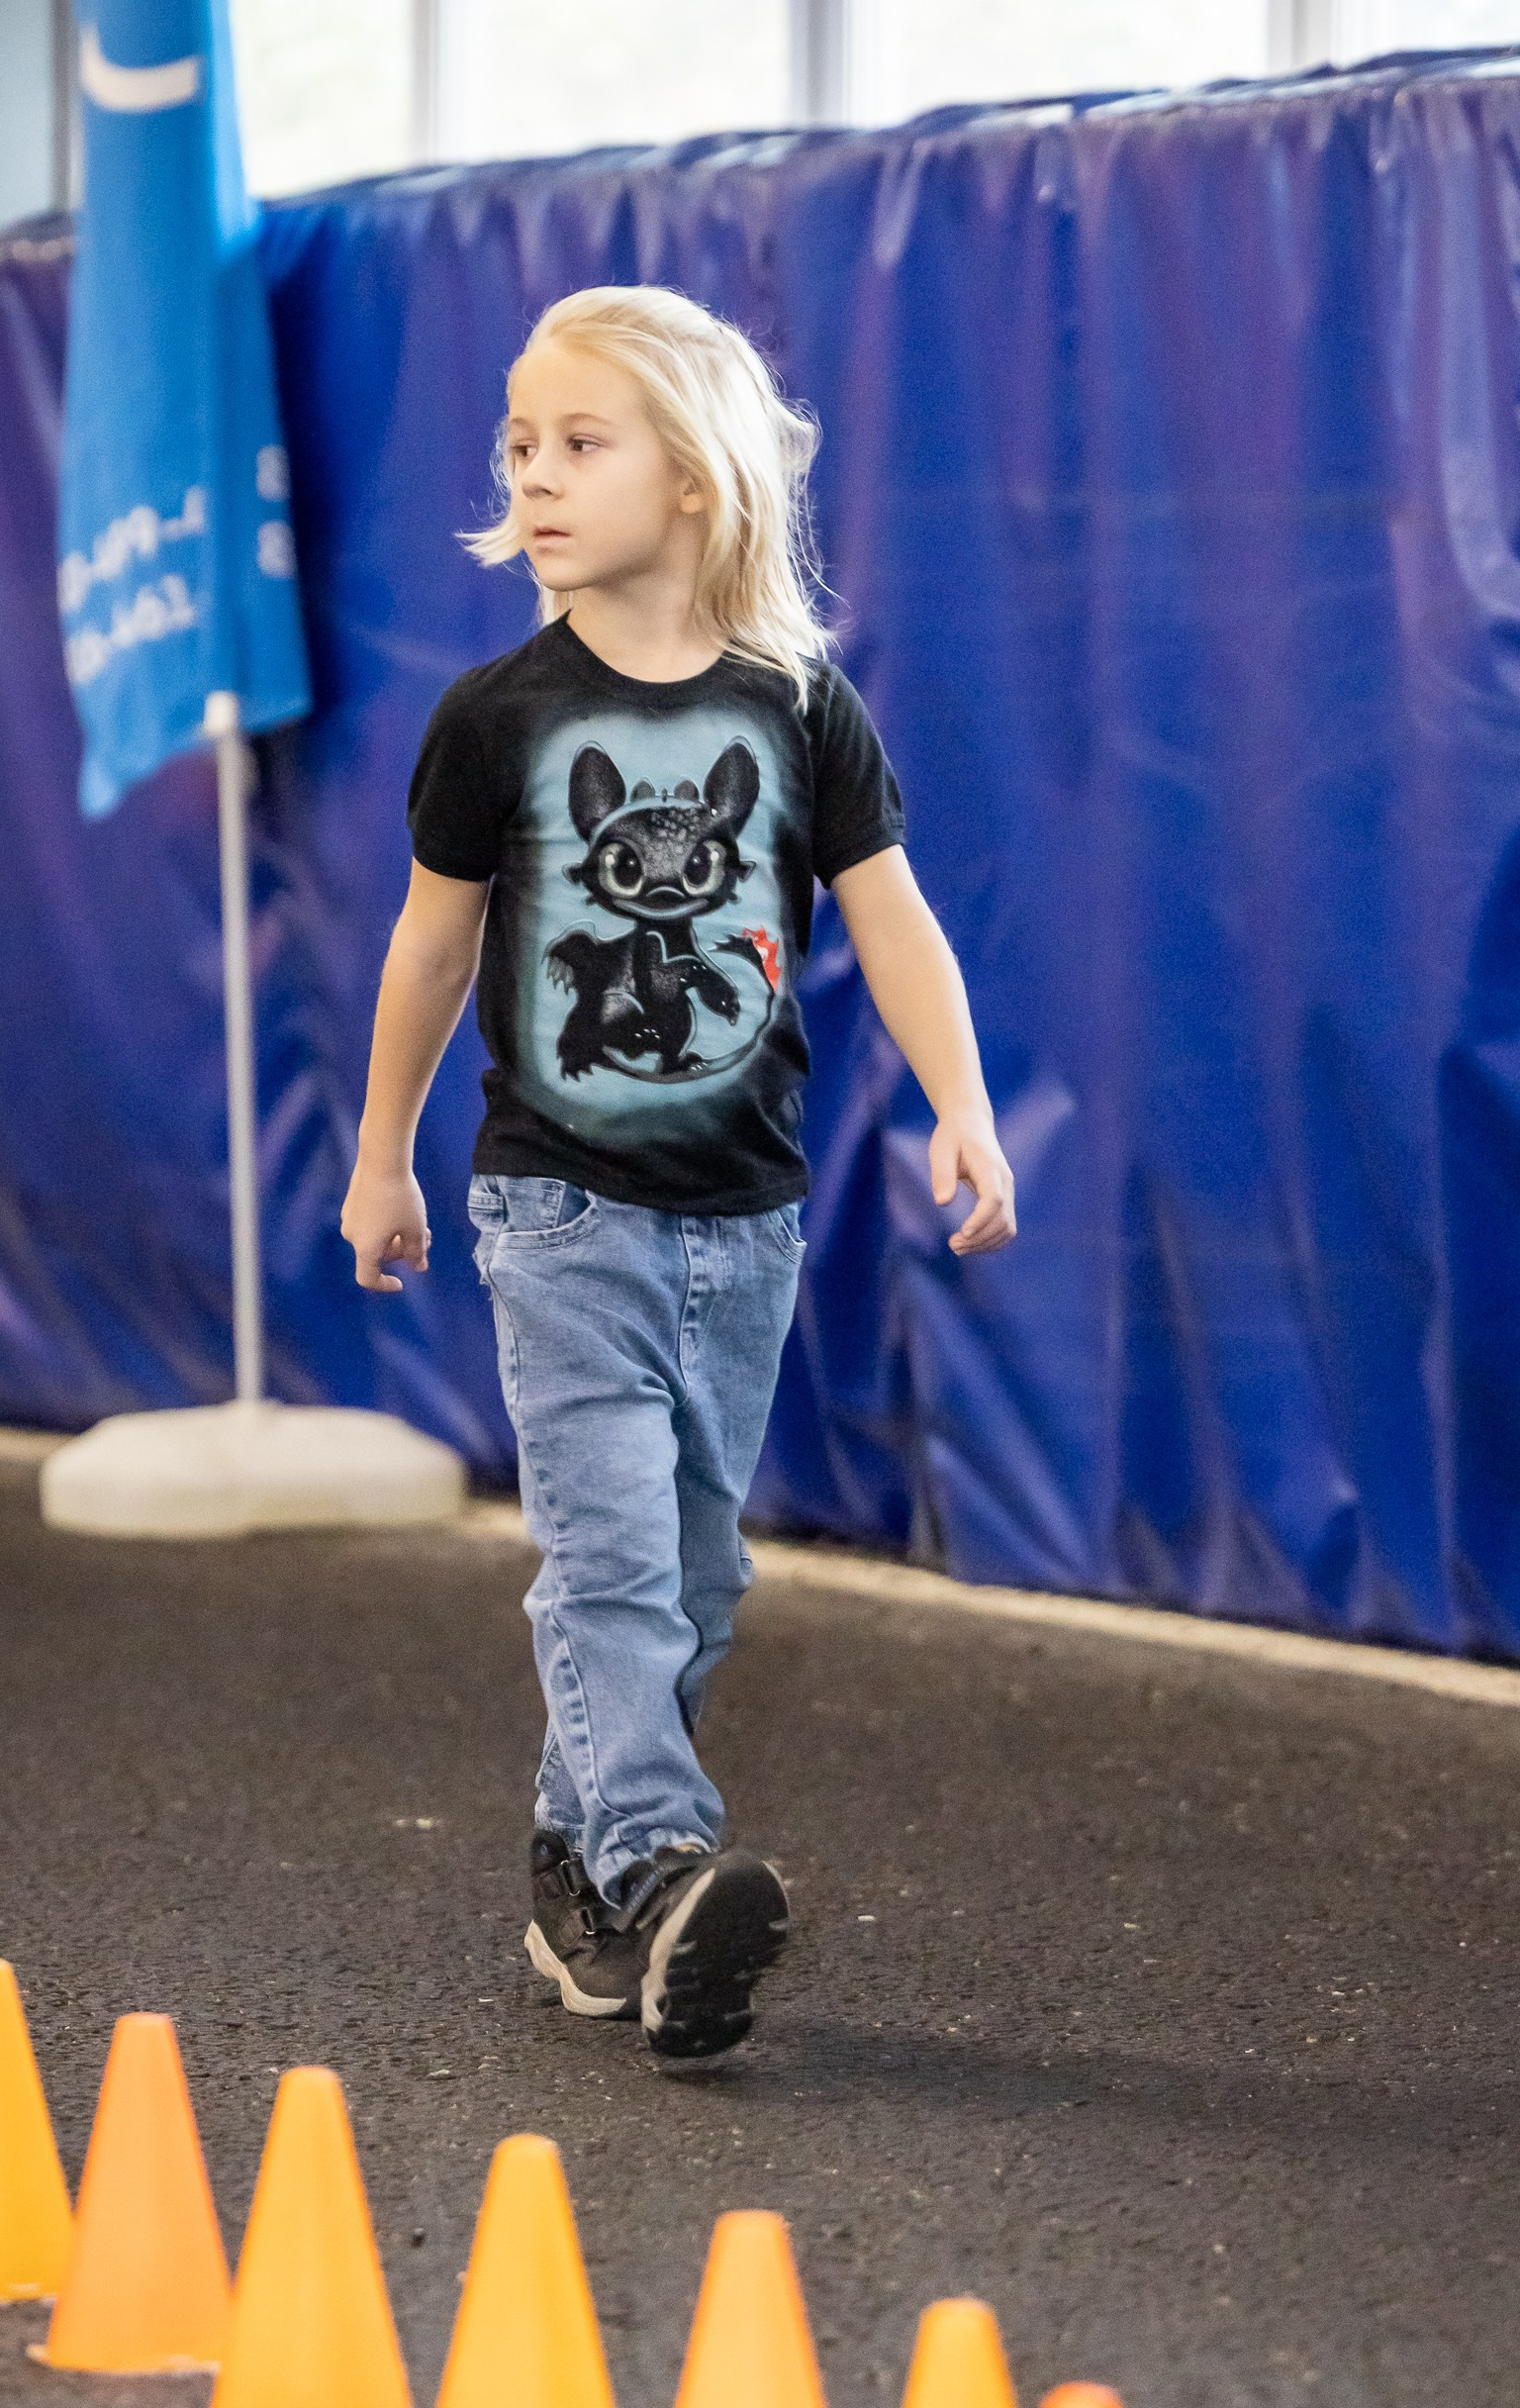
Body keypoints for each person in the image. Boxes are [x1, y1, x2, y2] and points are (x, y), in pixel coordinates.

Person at [339, 284, 1015, 2066]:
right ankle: (655, 1863)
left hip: (750, 1226)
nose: (536, 477)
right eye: (519, 447)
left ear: (697, 481)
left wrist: (963, 1101)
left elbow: (895, 921)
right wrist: (380, 1151)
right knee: (612, 1563)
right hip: (556, 1211)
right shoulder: (497, 717)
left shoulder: (797, 709)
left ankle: (576, 1882)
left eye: (582, 443)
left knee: (704, 1583)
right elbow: (426, 951)